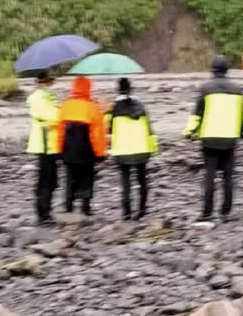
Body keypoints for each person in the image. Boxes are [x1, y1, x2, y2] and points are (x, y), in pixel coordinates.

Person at [182, 55, 243, 221]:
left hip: (210, 138)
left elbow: (197, 114)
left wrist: (189, 132)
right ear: (227, 69)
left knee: (209, 176)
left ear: (213, 69)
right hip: (229, 138)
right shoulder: (237, 90)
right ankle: (226, 210)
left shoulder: (205, 88)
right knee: (228, 177)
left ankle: (207, 211)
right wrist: (242, 132)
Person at [105, 78, 157, 221]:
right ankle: (142, 210)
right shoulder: (140, 105)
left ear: (118, 89)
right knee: (142, 180)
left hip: (122, 150)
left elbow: (108, 130)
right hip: (141, 148)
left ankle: (126, 213)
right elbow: (149, 129)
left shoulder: (114, 108)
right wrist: (153, 148)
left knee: (125, 182)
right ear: (131, 88)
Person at [57, 77, 107, 216]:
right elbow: (97, 134)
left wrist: (59, 150)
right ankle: (86, 207)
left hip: (68, 150)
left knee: (70, 178)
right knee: (87, 177)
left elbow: (59, 131)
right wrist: (100, 153)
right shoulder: (92, 108)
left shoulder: (65, 106)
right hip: (86, 150)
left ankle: (68, 206)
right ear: (88, 89)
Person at [26, 71, 60, 225]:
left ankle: (45, 211)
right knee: (46, 180)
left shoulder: (46, 98)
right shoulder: (39, 99)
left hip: (50, 144)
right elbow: (50, 117)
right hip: (45, 143)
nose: (50, 85)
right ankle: (43, 213)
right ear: (41, 83)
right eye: (48, 82)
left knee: (50, 179)